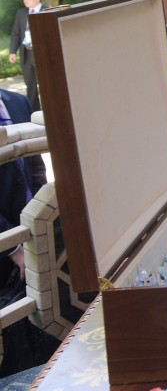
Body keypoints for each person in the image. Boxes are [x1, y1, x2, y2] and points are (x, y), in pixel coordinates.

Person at [0, 88, 55, 376]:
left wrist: (40, 224)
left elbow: (36, 168)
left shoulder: (16, 101)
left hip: (31, 231)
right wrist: (14, 247)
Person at [7, 0, 43, 112]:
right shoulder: (21, 13)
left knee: (46, 84)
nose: (25, 0)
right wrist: (12, 51)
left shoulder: (47, 11)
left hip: (42, 54)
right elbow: (16, 33)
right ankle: (34, 112)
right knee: (31, 86)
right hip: (26, 54)